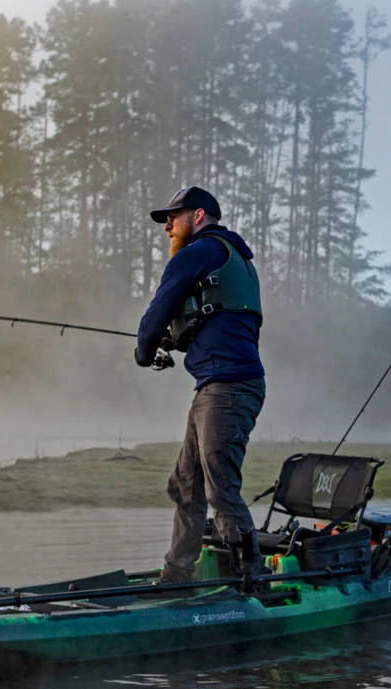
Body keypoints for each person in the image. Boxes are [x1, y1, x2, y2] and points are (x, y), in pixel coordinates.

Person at [135, 186, 266, 585]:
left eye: (173, 217)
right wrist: (177, 339)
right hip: (221, 385)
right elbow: (220, 322)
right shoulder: (235, 260)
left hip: (228, 388)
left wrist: (145, 349)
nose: (167, 226)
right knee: (187, 486)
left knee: (220, 490)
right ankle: (177, 577)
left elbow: (158, 310)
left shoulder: (199, 252)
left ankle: (253, 584)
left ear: (198, 216)